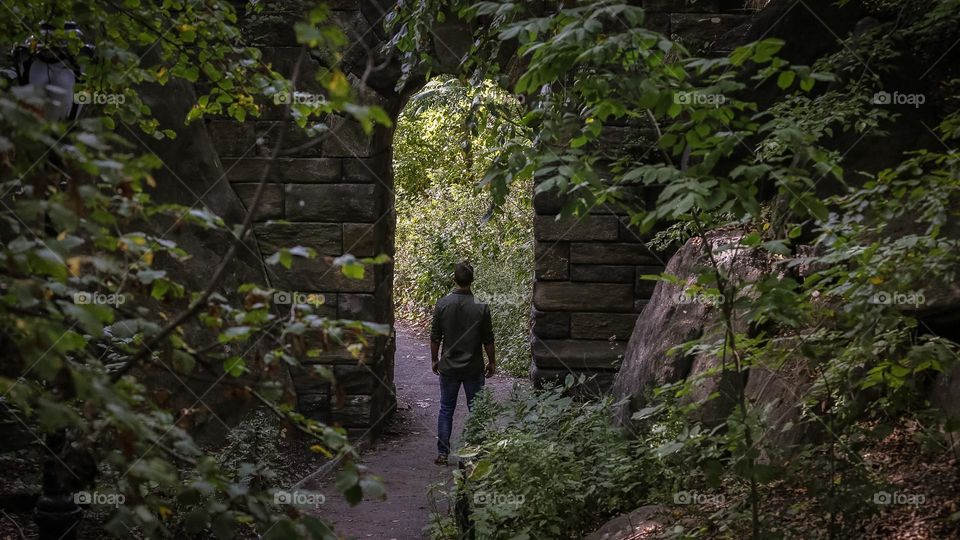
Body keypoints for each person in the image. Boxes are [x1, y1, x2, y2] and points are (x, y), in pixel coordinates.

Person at [430, 261, 496, 465]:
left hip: (449, 366)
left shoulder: (442, 304)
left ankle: (443, 453)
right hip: (473, 367)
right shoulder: (481, 306)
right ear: (472, 280)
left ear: (454, 279)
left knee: (446, 409)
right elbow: (488, 338)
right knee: (476, 410)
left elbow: (435, 337)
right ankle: (475, 452)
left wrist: (434, 359)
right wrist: (492, 362)